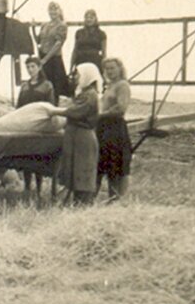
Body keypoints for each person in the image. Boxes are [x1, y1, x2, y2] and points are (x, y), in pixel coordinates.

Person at [45, 63, 102, 205]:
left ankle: (84, 203)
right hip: (75, 135)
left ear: (87, 76)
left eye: (78, 74)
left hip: (82, 137)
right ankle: (78, 201)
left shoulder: (90, 95)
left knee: (82, 169)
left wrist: (56, 111)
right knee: (74, 169)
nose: (75, 77)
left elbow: (76, 111)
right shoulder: (83, 93)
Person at [16, 56, 56, 201]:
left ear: (39, 67)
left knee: (38, 157)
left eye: (33, 66)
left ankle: (38, 189)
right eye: (28, 67)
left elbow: (50, 106)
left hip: (39, 126)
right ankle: (27, 187)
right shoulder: (25, 86)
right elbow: (19, 107)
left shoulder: (47, 85)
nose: (30, 70)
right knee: (26, 157)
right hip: (26, 126)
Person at [96, 57, 133, 201]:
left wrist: (100, 115)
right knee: (102, 162)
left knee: (115, 164)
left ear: (119, 69)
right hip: (104, 127)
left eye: (112, 68)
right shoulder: (110, 86)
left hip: (115, 128)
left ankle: (115, 199)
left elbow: (121, 108)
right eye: (107, 69)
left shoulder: (122, 85)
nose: (110, 71)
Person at [35, 1, 70, 97]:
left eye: (55, 9)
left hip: (54, 58)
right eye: (50, 9)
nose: (52, 12)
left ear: (59, 11)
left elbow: (58, 44)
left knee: (55, 86)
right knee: (43, 84)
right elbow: (38, 41)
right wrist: (33, 28)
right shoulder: (44, 25)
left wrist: (46, 59)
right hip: (42, 56)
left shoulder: (62, 25)